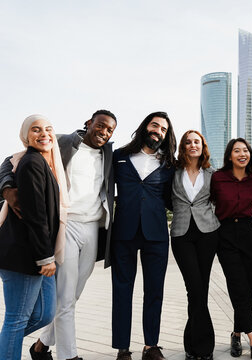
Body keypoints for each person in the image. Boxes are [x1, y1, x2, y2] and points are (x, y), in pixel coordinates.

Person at [1, 109, 117, 360]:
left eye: (110, 130)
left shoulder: (109, 154)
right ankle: (68, 355)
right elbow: (12, 160)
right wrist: (7, 187)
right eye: (101, 126)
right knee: (64, 297)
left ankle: (41, 344)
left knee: (72, 295)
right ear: (89, 123)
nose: (104, 132)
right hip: (67, 225)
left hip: (93, 227)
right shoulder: (61, 141)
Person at [0, 115, 68, 360]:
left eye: (48, 129)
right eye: (36, 130)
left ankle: (6, 342)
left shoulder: (46, 163)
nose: (44, 134)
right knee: (16, 320)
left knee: (44, 314)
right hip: (24, 254)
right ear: (25, 136)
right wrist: (44, 257)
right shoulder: (30, 162)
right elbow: (36, 214)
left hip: (39, 253)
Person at [111, 111, 176, 360]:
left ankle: (151, 345)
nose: (158, 131)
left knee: (154, 291)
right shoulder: (119, 156)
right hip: (124, 232)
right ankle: (122, 348)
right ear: (145, 126)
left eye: (163, 129)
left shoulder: (169, 164)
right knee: (122, 290)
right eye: (154, 125)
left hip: (156, 234)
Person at [210, 138, 252, 360]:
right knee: (237, 285)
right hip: (225, 235)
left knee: (248, 288)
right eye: (237, 150)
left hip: (249, 233)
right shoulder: (217, 177)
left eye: (246, 150)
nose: (242, 153)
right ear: (229, 155)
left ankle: (236, 333)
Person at [170, 130, 220, 360]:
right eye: (188, 142)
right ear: (183, 146)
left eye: (196, 142)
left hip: (207, 233)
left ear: (203, 146)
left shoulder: (212, 174)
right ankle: (205, 347)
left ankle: (193, 345)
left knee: (200, 290)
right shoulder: (173, 171)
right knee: (195, 288)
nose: (192, 145)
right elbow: (165, 197)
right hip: (181, 234)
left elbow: (221, 199)